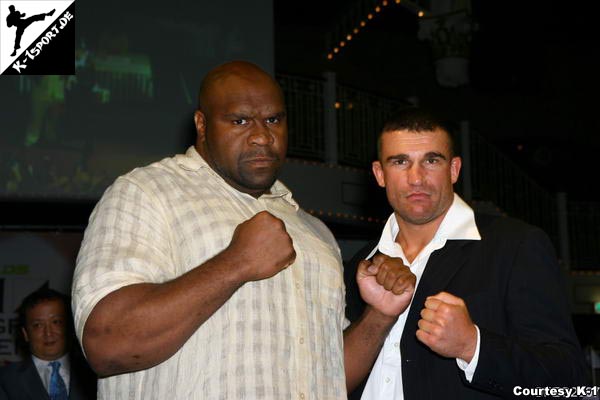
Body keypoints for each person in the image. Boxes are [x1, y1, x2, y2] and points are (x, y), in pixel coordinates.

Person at [72, 60, 415, 399]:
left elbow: (328, 375)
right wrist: (236, 263)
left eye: (273, 120)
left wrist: (379, 316)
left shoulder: (314, 231)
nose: (262, 137)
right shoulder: (148, 192)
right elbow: (108, 344)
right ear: (202, 125)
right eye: (239, 121)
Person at [347, 108, 587, 399]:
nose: (417, 178)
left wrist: (473, 346)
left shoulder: (515, 245)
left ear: (454, 169)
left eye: (431, 160)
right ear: (379, 174)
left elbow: (569, 383)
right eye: (400, 162)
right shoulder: (358, 267)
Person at [0, 287, 96, 400]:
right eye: (38, 325)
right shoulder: (6, 379)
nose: (48, 333)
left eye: (56, 322)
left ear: (70, 327)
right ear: (25, 333)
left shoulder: (94, 373)